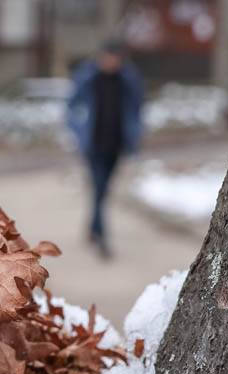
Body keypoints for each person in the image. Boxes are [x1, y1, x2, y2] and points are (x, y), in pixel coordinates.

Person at [66, 41, 143, 258]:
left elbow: (136, 109)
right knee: (100, 188)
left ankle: (92, 228)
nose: (112, 62)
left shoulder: (128, 80)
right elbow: (71, 106)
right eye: (108, 57)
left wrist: (135, 136)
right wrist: (78, 131)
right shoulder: (88, 78)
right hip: (93, 145)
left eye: (116, 58)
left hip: (117, 145)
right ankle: (101, 237)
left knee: (102, 190)